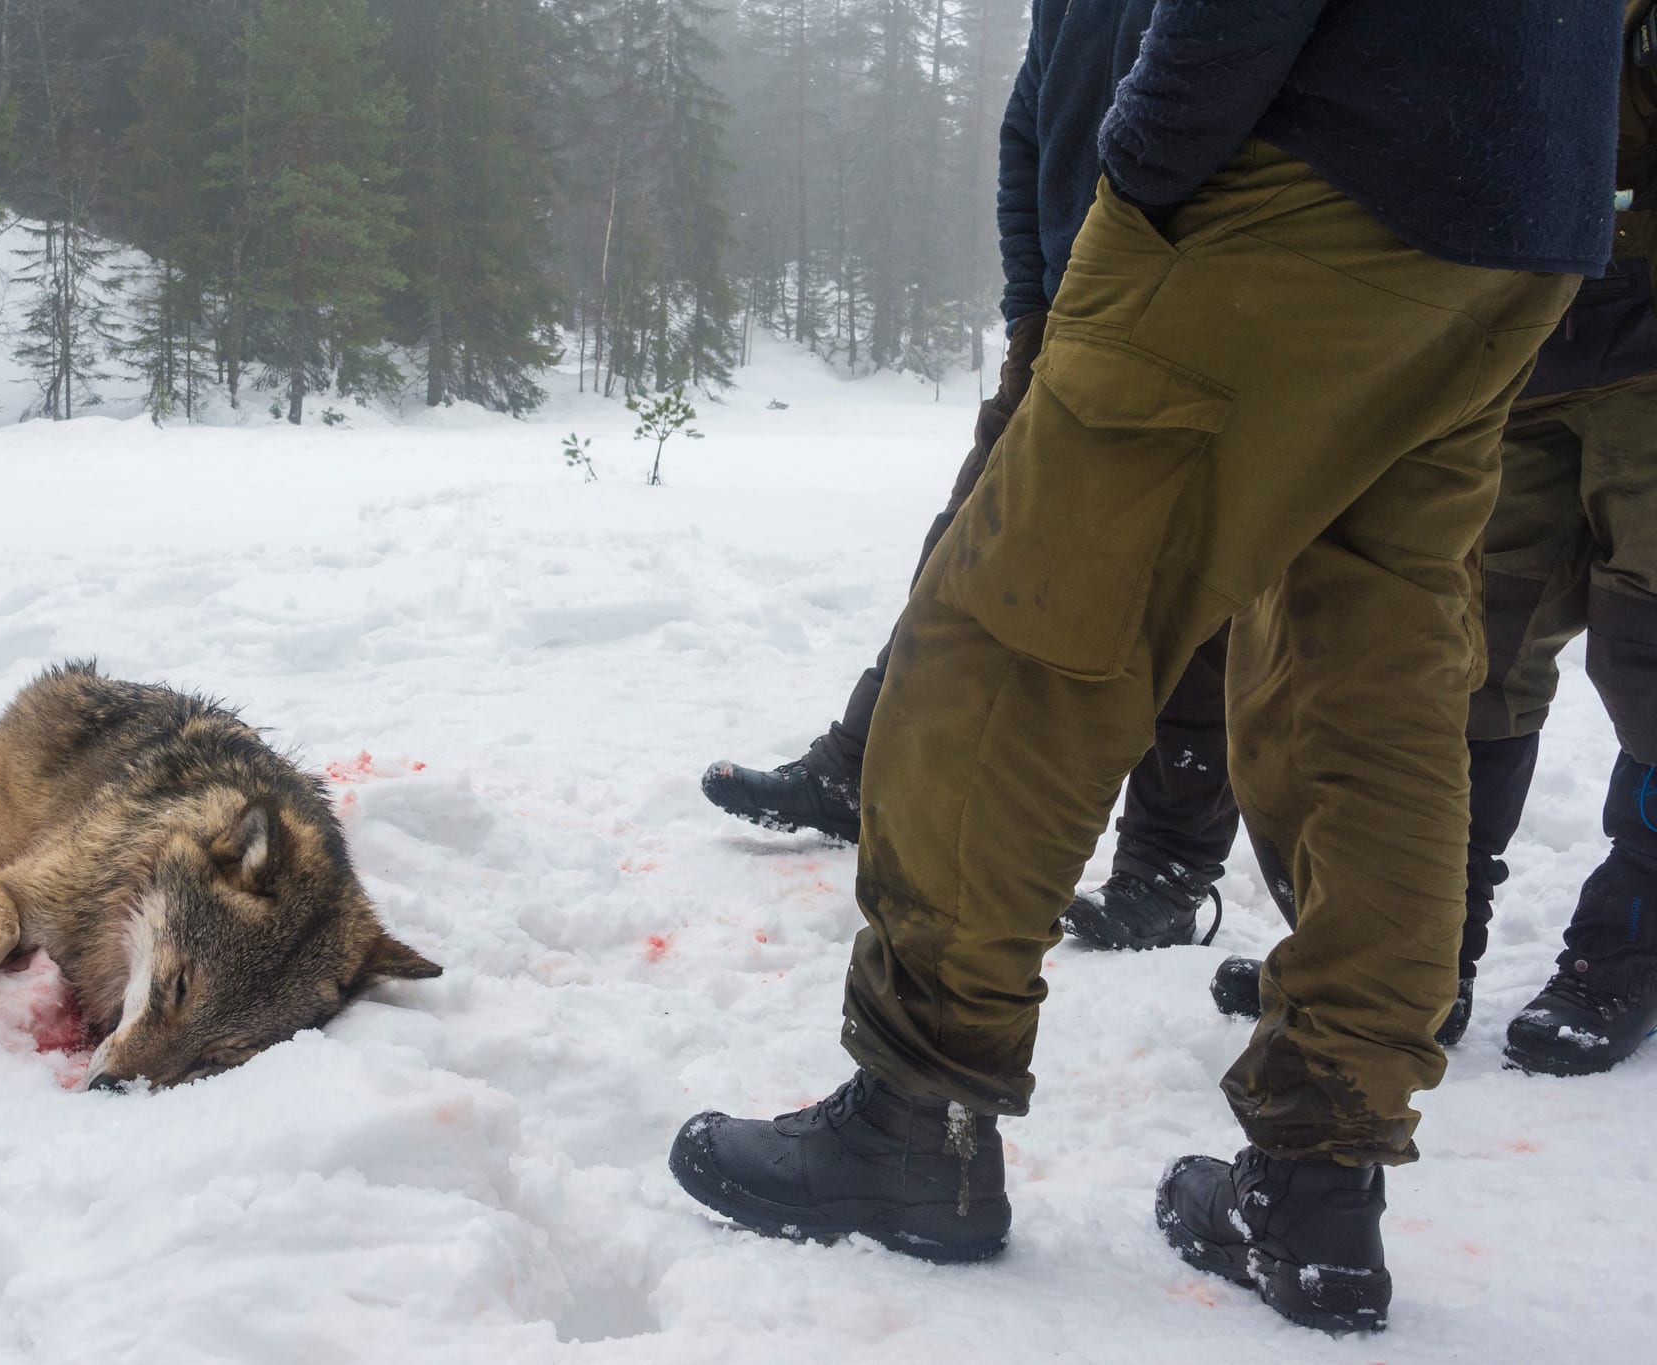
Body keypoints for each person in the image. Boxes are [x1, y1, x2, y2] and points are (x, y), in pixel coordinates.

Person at [667, 0, 1616, 1336]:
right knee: (1372, 686)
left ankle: (916, 1117)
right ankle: (1319, 1186)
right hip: (1521, 210)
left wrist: (1145, 168)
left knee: (1010, 645)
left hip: (1300, 180)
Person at [701, 0, 1238, 954]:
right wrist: (1032, 299)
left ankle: (1170, 866)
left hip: (1200, 311)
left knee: (1197, 593)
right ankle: (857, 767)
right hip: (1069, 311)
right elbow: (1030, 119)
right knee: (960, 549)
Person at [1209, 4, 1657, 1077]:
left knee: (1648, 661)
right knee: (1464, 665)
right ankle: (1411, 951)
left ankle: (1625, 950)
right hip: (1523, 346)